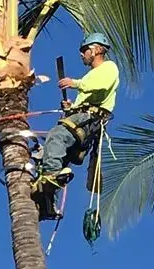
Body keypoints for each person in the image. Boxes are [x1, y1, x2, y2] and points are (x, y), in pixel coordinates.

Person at [31, 36, 119, 194]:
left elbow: (102, 86)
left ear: (97, 50)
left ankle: (51, 174)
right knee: (54, 154)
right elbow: (89, 97)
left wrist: (75, 83)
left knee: (57, 136)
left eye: (84, 50)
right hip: (83, 119)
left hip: (89, 120)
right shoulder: (91, 75)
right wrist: (71, 108)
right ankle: (46, 198)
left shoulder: (108, 67)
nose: (81, 54)